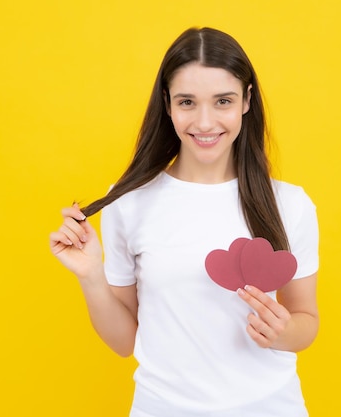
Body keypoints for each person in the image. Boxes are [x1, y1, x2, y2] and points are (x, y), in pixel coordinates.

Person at [49, 27, 319, 417]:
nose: (205, 122)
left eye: (223, 101)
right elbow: (126, 342)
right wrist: (90, 275)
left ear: (246, 100)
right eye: (187, 102)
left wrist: (281, 332)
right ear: (167, 104)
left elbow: (306, 321)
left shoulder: (289, 204)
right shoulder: (129, 202)